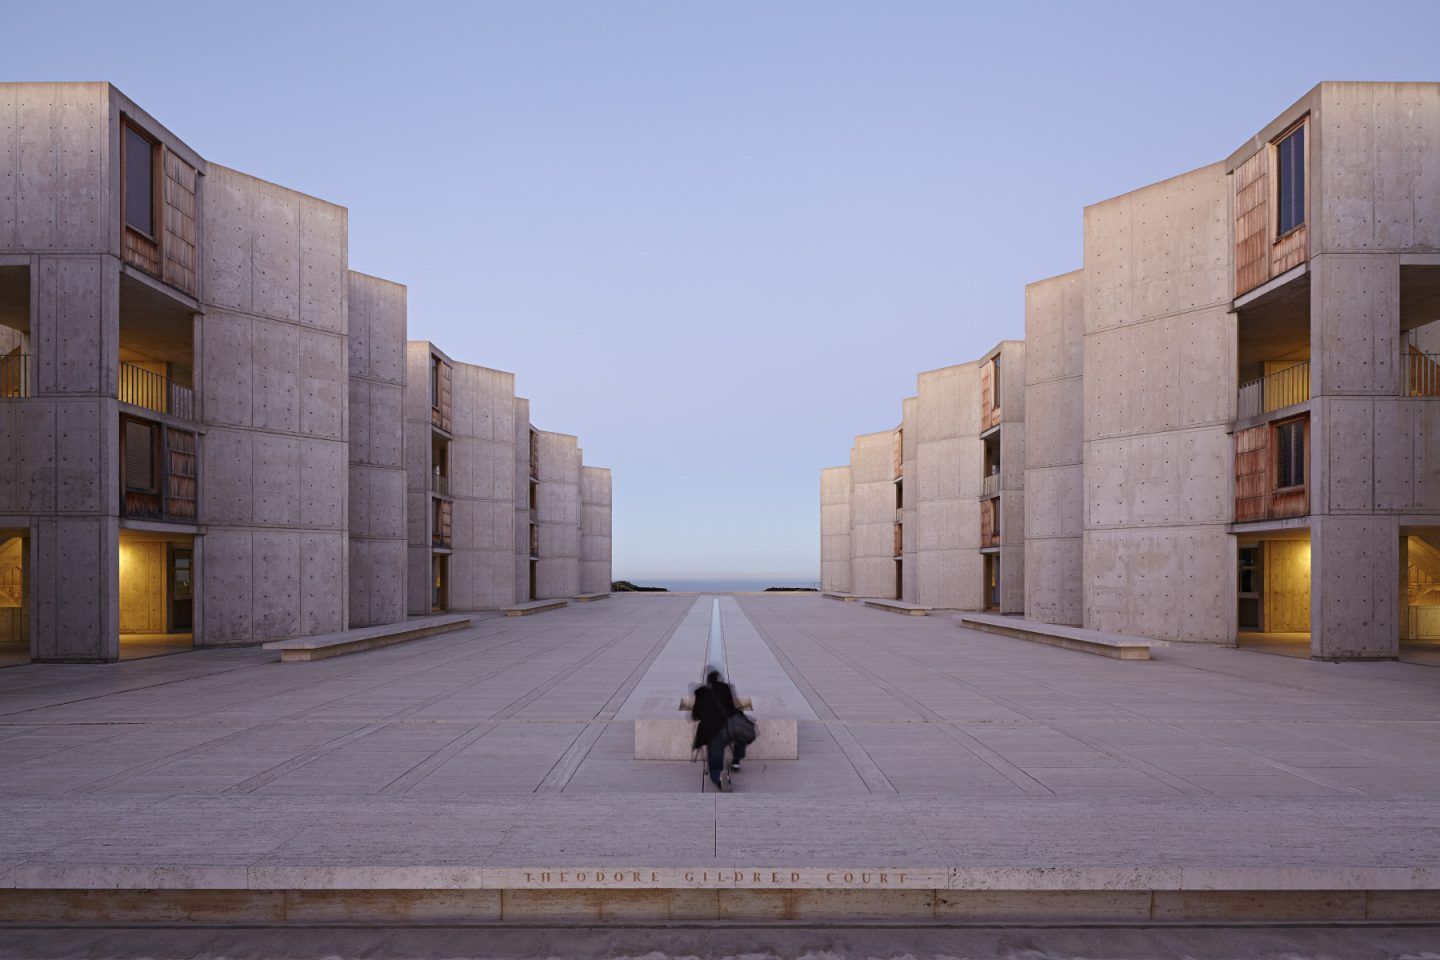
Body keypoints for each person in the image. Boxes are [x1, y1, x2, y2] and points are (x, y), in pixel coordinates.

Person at [691, 669, 747, 790]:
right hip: (730, 728)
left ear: (707, 680)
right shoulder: (725, 688)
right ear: (719, 679)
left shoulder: (700, 692)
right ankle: (736, 760)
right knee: (742, 733)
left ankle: (721, 778)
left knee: (715, 766)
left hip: (713, 733)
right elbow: (732, 708)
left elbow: (695, 716)